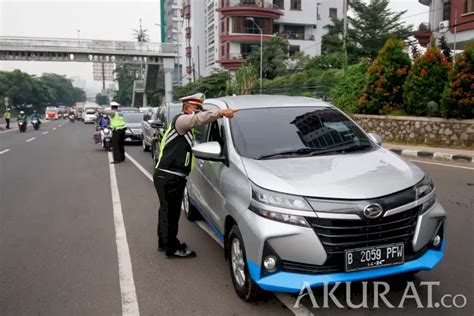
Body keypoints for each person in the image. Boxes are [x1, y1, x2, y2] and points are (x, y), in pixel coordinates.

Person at [153, 93, 238, 258]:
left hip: (166, 175)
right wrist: (219, 113)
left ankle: (164, 243)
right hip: (170, 176)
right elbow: (197, 120)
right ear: (187, 107)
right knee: (172, 212)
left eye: (199, 109)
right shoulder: (181, 121)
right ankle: (172, 248)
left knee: (166, 211)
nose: (197, 112)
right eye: (195, 108)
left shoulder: (184, 128)